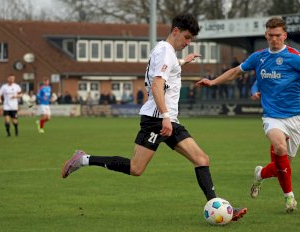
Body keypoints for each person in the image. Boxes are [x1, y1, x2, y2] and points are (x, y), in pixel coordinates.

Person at [61, 13, 247, 222]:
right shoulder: (164, 51)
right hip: (157, 120)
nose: (188, 42)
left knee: (201, 159)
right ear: (175, 31)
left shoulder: (165, 51)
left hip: (167, 119)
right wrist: (166, 116)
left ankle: (217, 207)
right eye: (186, 37)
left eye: (191, 39)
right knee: (136, 168)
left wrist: (183, 62)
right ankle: (83, 159)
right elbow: (157, 84)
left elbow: (165, 70)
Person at [197, 16, 300, 213]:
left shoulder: (295, 57)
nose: (274, 39)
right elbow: (235, 71)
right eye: (270, 35)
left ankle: (260, 174)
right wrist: (213, 81)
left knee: (280, 168)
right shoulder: (258, 57)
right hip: (272, 116)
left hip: (295, 117)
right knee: (279, 146)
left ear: (284, 35)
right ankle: (289, 197)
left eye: (278, 35)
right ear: (266, 35)